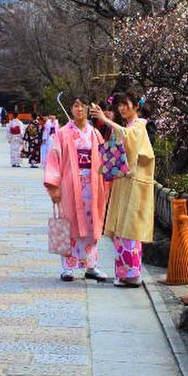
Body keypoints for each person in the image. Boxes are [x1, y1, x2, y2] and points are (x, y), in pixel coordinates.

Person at [90, 91, 155, 287]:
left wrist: (105, 120)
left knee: (130, 229)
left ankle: (133, 275)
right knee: (122, 229)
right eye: (119, 105)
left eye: (126, 104)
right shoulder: (128, 126)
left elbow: (129, 138)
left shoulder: (139, 126)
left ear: (136, 105)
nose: (122, 108)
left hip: (135, 183)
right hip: (125, 181)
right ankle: (126, 274)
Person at [43, 94, 110, 282]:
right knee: (69, 224)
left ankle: (91, 266)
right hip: (70, 186)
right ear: (71, 109)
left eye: (82, 106)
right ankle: (67, 267)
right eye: (75, 106)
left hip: (93, 186)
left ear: (88, 108)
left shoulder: (95, 134)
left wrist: (108, 181)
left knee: (92, 225)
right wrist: (53, 186)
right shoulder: (63, 133)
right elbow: (53, 160)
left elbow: (104, 159)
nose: (79, 109)